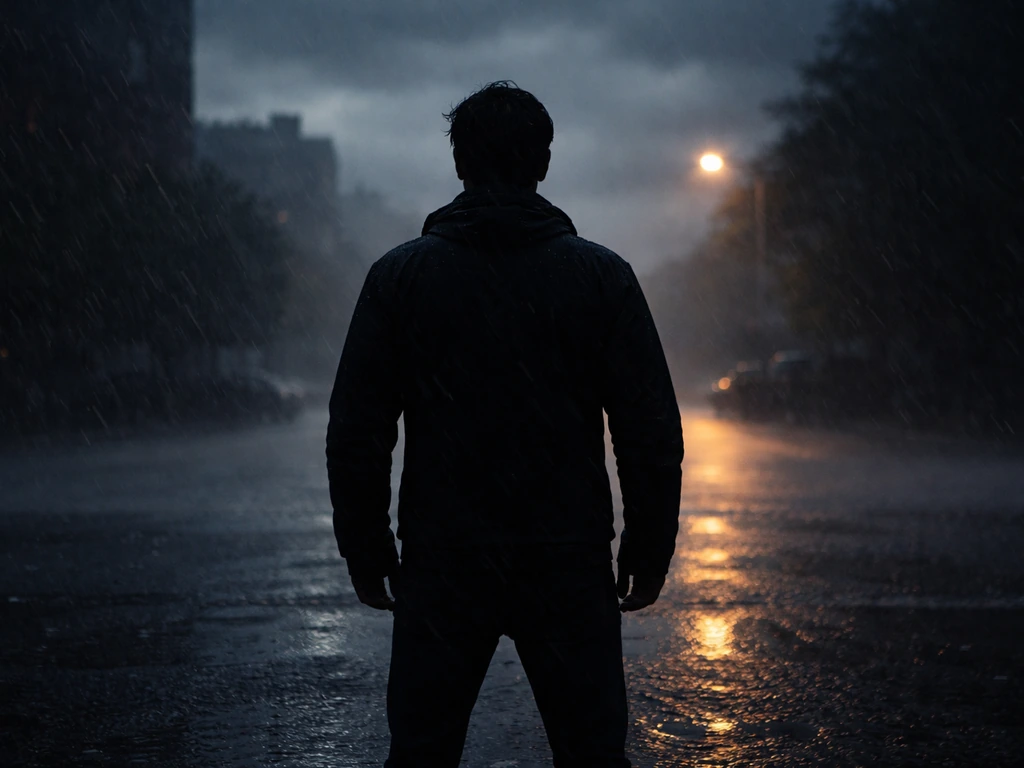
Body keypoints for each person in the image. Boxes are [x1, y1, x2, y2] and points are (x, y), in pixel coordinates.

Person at [326, 81, 683, 768]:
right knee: (592, 751)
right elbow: (648, 430)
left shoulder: (400, 277)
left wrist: (366, 549)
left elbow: (358, 429)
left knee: (423, 751)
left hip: (445, 555)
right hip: (566, 554)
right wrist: (647, 546)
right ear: (542, 163)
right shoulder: (602, 277)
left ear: (460, 164)